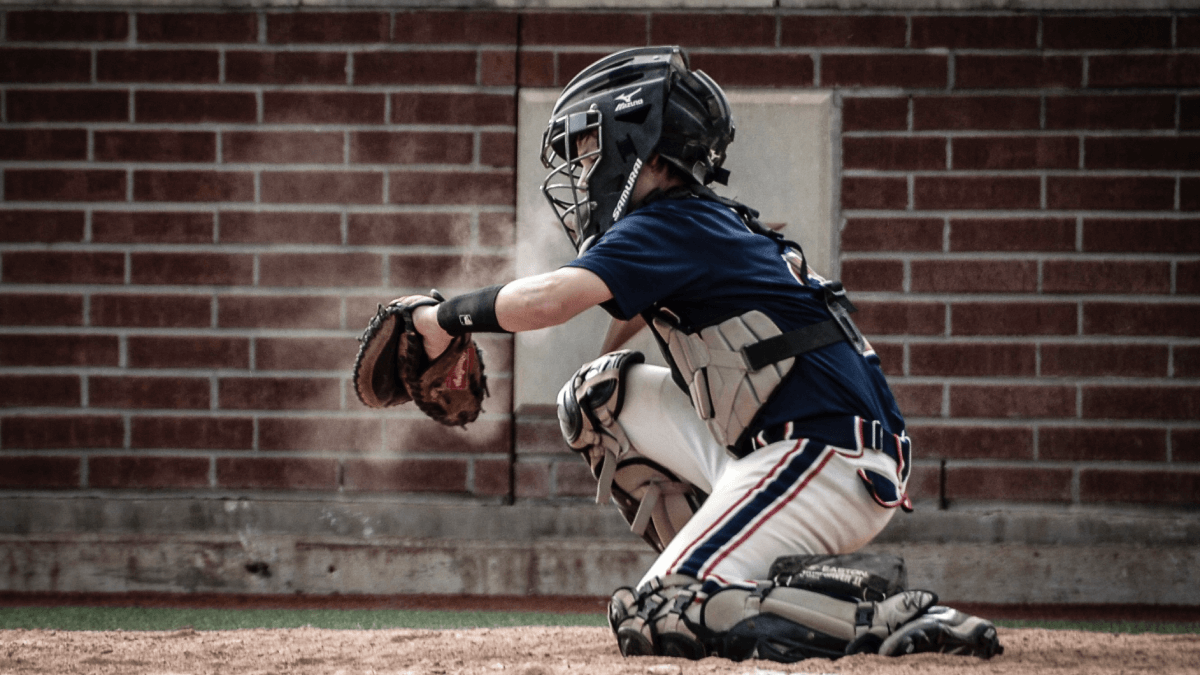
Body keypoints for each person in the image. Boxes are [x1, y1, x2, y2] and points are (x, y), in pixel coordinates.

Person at [406, 46, 1001, 663]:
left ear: (642, 147)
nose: (583, 170)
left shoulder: (671, 224)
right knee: (595, 399)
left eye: (590, 148)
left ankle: (879, 617)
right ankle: (721, 574)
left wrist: (440, 318)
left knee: (660, 610)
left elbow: (552, 301)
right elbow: (628, 310)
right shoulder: (696, 222)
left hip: (823, 459)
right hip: (804, 447)